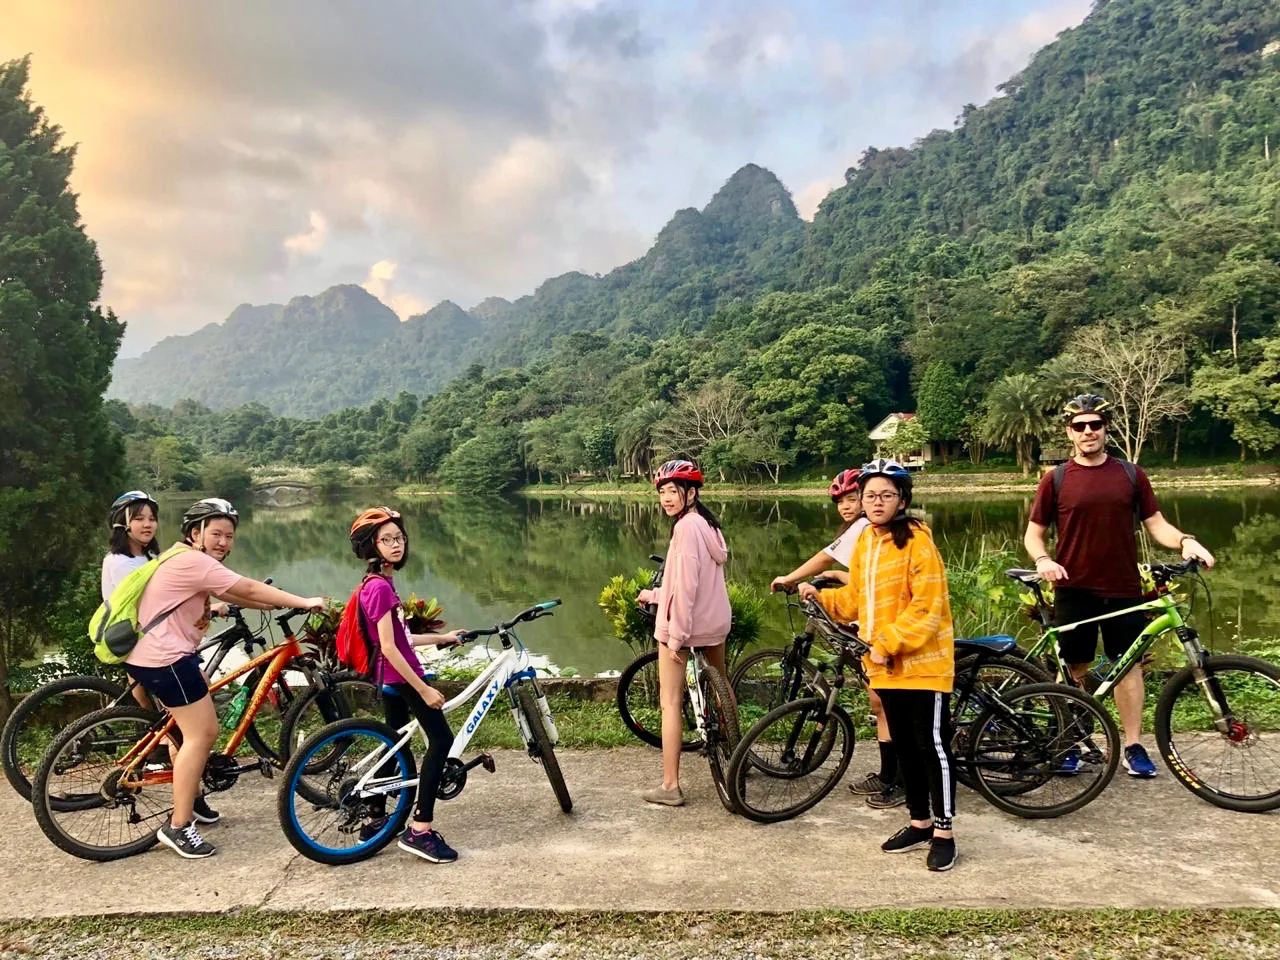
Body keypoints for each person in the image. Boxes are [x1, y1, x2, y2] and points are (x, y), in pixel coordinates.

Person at [1024, 393, 1216, 778]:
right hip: (1073, 588)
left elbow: (1156, 524)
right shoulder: (1055, 479)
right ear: (1069, 432)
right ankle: (1071, 742)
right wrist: (1044, 561)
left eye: (1095, 424)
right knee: (1074, 668)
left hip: (1124, 587)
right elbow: (1034, 534)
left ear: (1106, 429)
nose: (1088, 431)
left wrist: (1185, 541)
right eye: (1079, 426)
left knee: (1128, 667)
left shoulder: (1131, 475)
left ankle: (1132, 745)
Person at [126, 497, 325, 860]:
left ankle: (192, 798)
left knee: (190, 724)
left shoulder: (182, 557)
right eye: (216, 533)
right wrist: (302, 601)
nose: (223, 542)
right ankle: (178, 826)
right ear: (195, 533)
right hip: (166, 660)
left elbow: (230, 592)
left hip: (155, 656)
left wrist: (273, 603)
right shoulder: (193, 561)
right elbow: (245, 588)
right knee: (202, 733)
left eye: (229, 536)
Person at [799, 458, 958, 872]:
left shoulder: (918, 541)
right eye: (870, 495)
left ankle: (944, 833)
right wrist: (822, 599)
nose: (877, 502)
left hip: (923, 664)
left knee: (932, 748)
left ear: (902, 500)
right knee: (904, 745)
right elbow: (858, 599)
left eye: (887, 495)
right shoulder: (867, 541)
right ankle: (920, 823)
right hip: (883, 665)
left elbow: (928, 608)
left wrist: (887, 643)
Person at [770, 469, 904, 809]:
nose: (846, 506)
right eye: (840, 501)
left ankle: (899, 779)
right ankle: (889, 775)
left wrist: (790, 577)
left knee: (885, 702)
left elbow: (826, 556)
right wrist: (834, 577)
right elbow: (862, 577)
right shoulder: (867, 531)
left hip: (888, 629)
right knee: (879, 703)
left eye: (852, 498)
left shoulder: (867, 527)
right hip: (873, 622)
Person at [348, 507, 467, 863]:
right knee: (441, 740)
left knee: (394, 745)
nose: (396, 544)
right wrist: (424, 688)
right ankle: (420, 830)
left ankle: (375, 820)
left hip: (390, 678)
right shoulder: (380, 588)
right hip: (403, 677)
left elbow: (401, 638)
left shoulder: (377, 583)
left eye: (399, 537)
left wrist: (442, 637)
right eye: (386, 539)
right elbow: (389, 647)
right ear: (371, 546)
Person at [635, 459, 732, 807]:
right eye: (662, 492)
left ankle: (670, 786)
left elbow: (687, 587)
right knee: (722, 689)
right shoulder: (709, 525)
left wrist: (675, 637)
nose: (666, 498)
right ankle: (738, 756)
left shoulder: (686, 528)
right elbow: (687, 583)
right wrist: (656, 594)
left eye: (673, 491)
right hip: (715, 624)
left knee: (671, 703)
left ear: (690, 494)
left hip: (684, 627)